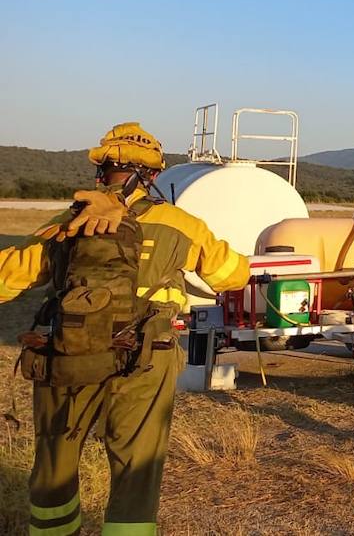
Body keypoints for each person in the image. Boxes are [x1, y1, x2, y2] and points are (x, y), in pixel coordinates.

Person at [0, 123, 250, 535]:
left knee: (55, 458)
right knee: (137, 464)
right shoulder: (178, 223)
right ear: (151, 175)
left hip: (69, 353)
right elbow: (231, 275)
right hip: (143, 361)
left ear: (102, 173)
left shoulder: (67, 222)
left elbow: (8, 279)